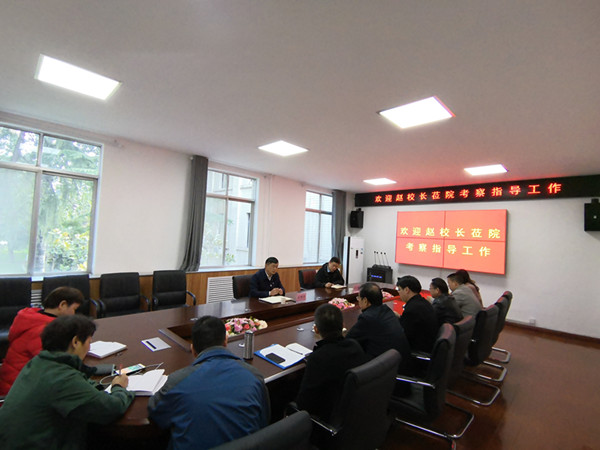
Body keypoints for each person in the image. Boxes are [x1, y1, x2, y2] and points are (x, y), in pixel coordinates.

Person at [0, 315, 134, 449]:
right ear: (75, 342)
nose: (88, 348)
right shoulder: (62, 378)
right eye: (89, 342)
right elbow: (110, 409)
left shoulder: (39, 362)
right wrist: (119, 387)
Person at [148, 315, 269, 450]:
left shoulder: (177, 381)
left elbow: (156, 413)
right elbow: (263, 421)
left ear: (193, 350)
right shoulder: (254, 376)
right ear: (225, 342)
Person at [0, 286, 84, 395]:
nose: (74, 314)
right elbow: (55, 364)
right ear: (62, 305)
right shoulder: (44, 330)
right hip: (18, 391)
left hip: (16, 380)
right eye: (74, 309)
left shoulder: (32, 318)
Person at [295, 303, 367, 421]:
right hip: (357, 414)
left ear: (316, 329)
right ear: (343, 325)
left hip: (328, 420)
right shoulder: (355, 346)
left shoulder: (318, 358)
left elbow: (303, 404)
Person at [345, 282, 412, 376]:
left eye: (359, 298)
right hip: (399, 364)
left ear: (365, 301)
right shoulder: (386, 310)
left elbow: (348, 340)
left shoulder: (368, 317)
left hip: (386, 372)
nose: (358, 300)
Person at [396, 275, 438, 353]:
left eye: (399, 289)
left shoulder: (412, 309)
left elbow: (403, 335)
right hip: (428, 345)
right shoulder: (423, 302)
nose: (398, 292)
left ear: (407, 290)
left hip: (418, 350)